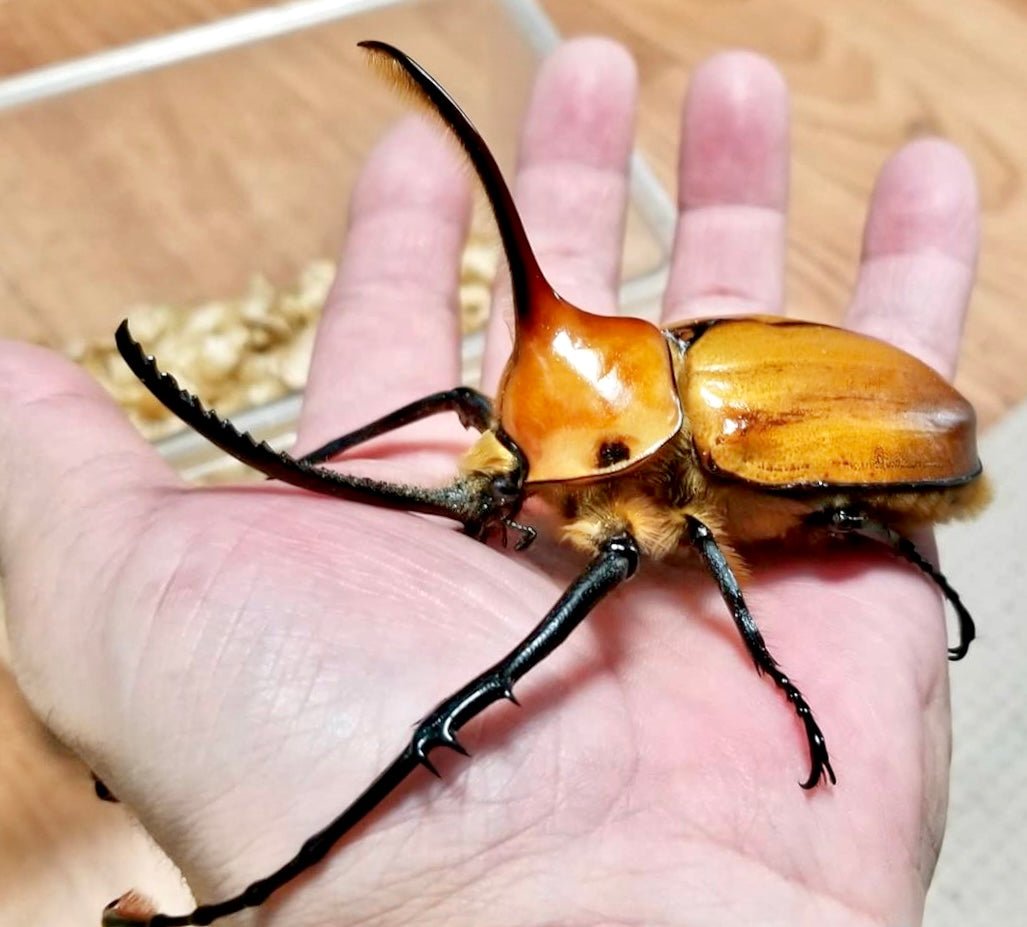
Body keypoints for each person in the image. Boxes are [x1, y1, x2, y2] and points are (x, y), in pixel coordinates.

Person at [0, 37, 979, 926]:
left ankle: (287, 870)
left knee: (543, 654)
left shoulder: (659, 495)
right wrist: (308, 472)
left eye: (519, 475)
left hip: (876, 446)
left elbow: (700, 556)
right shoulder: (631, 379)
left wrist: (773, 666)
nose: (496, 486)